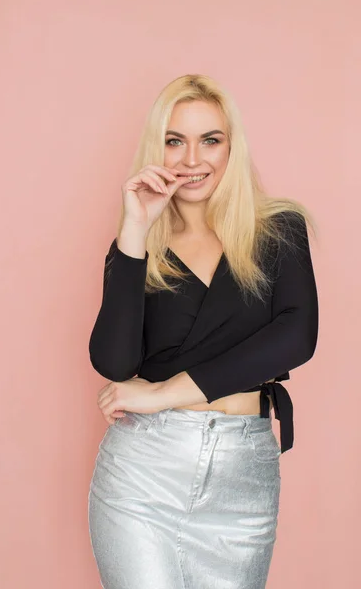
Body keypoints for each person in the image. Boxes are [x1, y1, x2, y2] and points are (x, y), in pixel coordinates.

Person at [87, 74, 319, 589]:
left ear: (231, 147)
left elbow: (296, 337)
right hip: (143, 474)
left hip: (244, 477)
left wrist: (166, 392)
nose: (192, 159)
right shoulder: (136, 249)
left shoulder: (279, 230)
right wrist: (134, 230)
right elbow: (114, 364)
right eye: (175, 141)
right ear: (157, 150)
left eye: (209, 140)